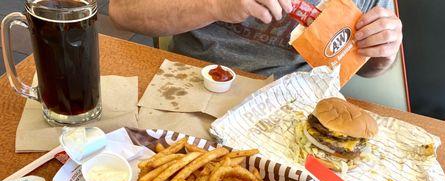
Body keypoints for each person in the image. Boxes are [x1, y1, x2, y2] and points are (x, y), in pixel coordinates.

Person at [109, 0, 402, 78]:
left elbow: (369, 68)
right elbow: (123, 11)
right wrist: (215, 6)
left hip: (298, 106)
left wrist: (382, 52)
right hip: (195, 82)